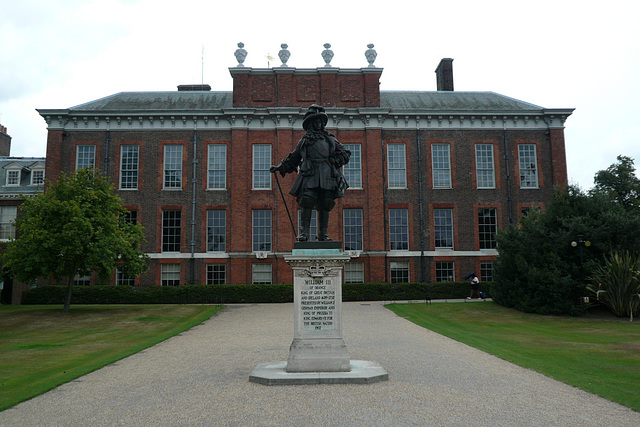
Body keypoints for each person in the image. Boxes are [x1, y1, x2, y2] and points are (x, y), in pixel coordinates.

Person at [271, 105, 351, 241]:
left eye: (320, 121)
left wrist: (334, 160)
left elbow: (345, 153)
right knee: (307, 201)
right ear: (311, 124)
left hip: (327, 173)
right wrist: (280, 167)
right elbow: (294, 157)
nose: (319, 124)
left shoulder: (330, 139)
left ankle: (323, 235)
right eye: (316, 121)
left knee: (326, 203)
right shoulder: (305, 140)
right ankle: (305, 233)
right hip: (310, 172)